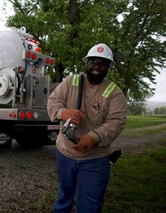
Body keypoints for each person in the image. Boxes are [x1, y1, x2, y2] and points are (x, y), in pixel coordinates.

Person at [47, 43, 127, 213]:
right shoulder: (71, 81)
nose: (97, 66)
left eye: (102, 63)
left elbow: (117, 121)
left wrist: (93, 137)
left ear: (108, 67)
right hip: (65, 154)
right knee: (64, 196)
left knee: (89, 205)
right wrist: (63, 113)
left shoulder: (115, 93)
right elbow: (53, 100)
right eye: (94, 61)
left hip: (95, 160)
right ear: (87, 63)